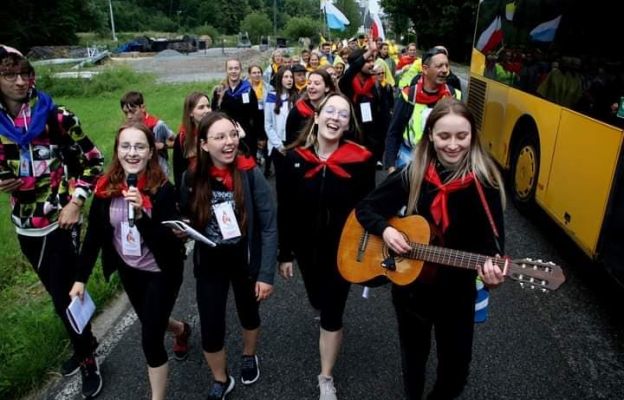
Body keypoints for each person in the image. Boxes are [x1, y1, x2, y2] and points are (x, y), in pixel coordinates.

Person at [355, 98, 508, 400]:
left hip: (457, 295)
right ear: (430, 137)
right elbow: (366, 209)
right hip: (411, 292)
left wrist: (493, 273)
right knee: (413, 359)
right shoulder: (413, 175)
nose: (453, 145)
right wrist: (385, 230)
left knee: (456, 370)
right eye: (444, 136)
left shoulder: (485, 182)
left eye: (461, 136)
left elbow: (494, 247)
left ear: (473, 136)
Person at [0, 46, 105, 398]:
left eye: (25, 73)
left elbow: (93, 161)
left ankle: (88, 356)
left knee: (67, 293)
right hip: (24, 225)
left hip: (61, 220)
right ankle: (84, 342)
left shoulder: (55, 117)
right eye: (9, 75)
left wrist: (76, 202)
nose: (20, 81)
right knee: (55, 293)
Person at [70, 123, 190, 400]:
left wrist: (142, 215)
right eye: (126, 146)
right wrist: (80, 279)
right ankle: (181, 329)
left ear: (151, 153)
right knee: (152, 321)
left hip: (162, 271)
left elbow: (171, 245)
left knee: (150, 338)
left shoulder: (163, 191)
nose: (132, 153)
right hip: (129, 270)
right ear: (117, 151)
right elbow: (94, 238)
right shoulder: (105, 187)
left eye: (140, 147)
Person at [278, 93, 376, 400]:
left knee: (332, 312)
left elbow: (368, 207)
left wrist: (368, 249)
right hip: (306, 249)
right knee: (317, 300)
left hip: (342, 250)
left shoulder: (361, 160)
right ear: (317, 117)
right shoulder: (292, 158)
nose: (335, 117)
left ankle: (326, 377)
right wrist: (285, 254)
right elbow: (286, 209)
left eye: (343, 114)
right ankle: (322, 310)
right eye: (329, 111)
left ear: (348, 125)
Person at [179, 112, 277, 400]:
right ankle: (221, 379)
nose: (229, 142)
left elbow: (269, 225)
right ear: (205, 144)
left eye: (232, 135)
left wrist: (266, 274)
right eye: (220, 137)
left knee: (249, 312)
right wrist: (182, 229)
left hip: (244, 260)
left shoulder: (250, 173)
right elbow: (186, 214)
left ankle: (249, 355)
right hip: (209, 262)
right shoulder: (191, 176)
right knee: (211, 326)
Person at [384, 47, 462, 172]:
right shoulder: (408, 95)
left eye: (447, 66)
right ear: (425, 69)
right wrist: (390, 166)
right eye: (439, 66)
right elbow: (394, 131)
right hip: (408, 160)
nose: (445, 70)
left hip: (441, 162)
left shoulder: (454, 96)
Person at [339, 37, 390, 166]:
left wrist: (383, 143)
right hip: (351, 138)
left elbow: (384, 115)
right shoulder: (347, 83)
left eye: (372, 60)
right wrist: (369, 51)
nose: (371, 64)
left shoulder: (377, 85)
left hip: (372, 143)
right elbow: (352, 69)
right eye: (367, 61)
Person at [211, 58, 263, 160]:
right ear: (226, 71)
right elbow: (214, 113)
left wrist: (260, 136)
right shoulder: (220, 91)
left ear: (240, 70)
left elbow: (256, 115)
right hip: (225, 135)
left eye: (236, 68)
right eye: (230, 68)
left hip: (246, 135)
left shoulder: (248, 90)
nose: (233, 71)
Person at [120, 91, 175, 176]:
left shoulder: (158, 125)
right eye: (126, 113)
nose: (129, 116)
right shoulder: (127, 128)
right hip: (137, 171)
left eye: (132, 111)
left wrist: (163, 146)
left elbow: (179, 143)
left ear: (143, 108)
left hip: (159, 172)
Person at [172, 91, 211, 195]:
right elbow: (178, 172)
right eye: (201, 107)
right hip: (194, 191)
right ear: (190, 113)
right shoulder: (182, 138)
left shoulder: (217, 132)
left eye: (208, 106)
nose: (207, 110)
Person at [285, 69, 336, 146]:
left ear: (327, 88)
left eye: (317, 83)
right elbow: (290, 141)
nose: (311, 86)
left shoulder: (335, 110)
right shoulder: (297, 111)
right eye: (309, 83)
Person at [264, 66, 296, 177]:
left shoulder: (296, 97)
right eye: (286, 77)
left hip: (293, 143)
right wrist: (279, 145)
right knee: (281, 178)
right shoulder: (271, 97)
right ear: (280, 79)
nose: (289, 79)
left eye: (291, 77)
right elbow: (268, 125)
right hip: (278, 144)